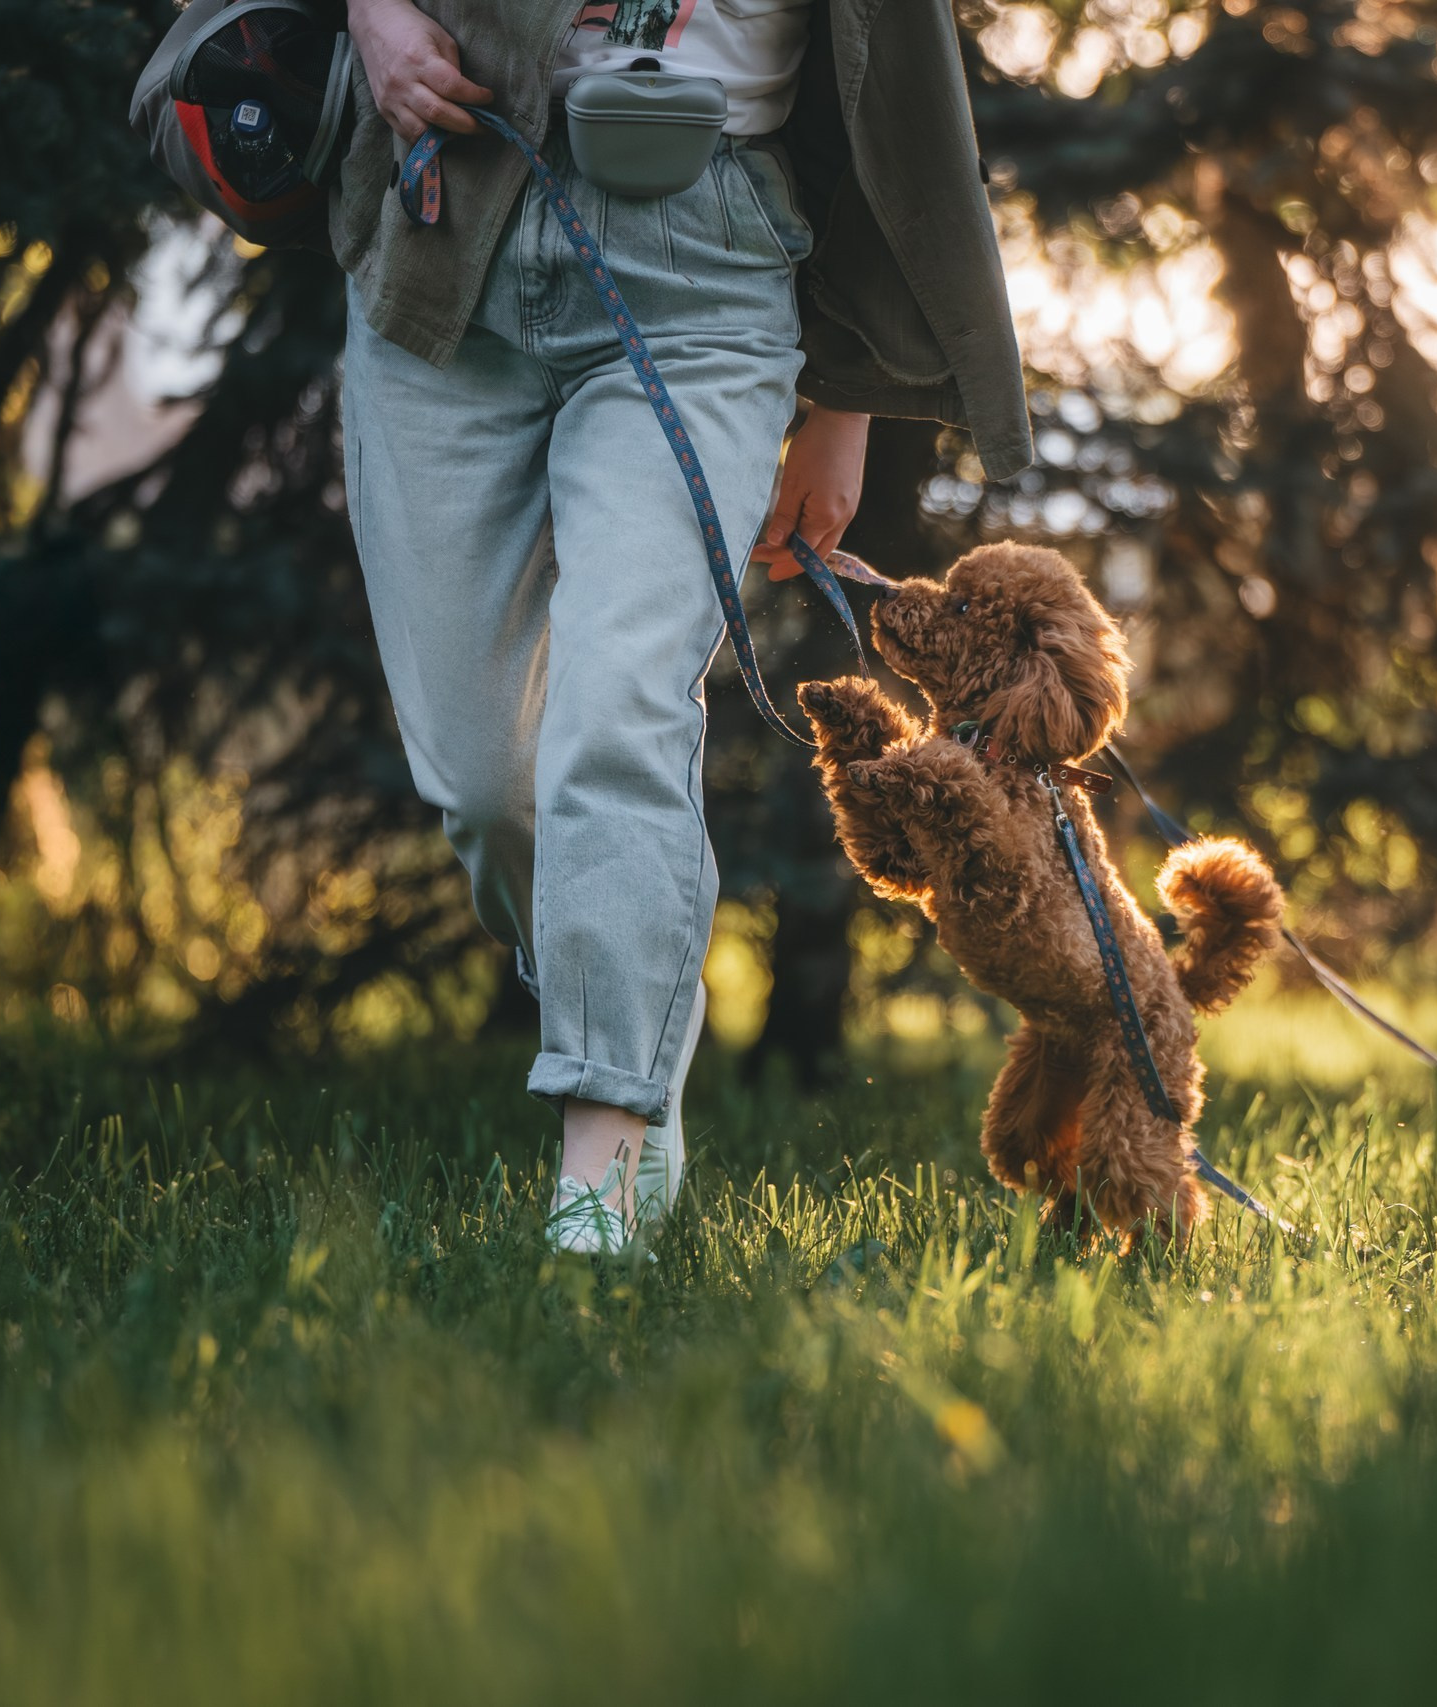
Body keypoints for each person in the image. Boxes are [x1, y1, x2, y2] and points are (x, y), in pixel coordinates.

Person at [332, 0, 1030, 1250]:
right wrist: (375, 17)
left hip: (705, 263)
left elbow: (876, 70)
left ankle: (599, 1185)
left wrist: (843, 401)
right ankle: (637, 1037)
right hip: (447, 235)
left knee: (618, 713)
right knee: (490, 791)